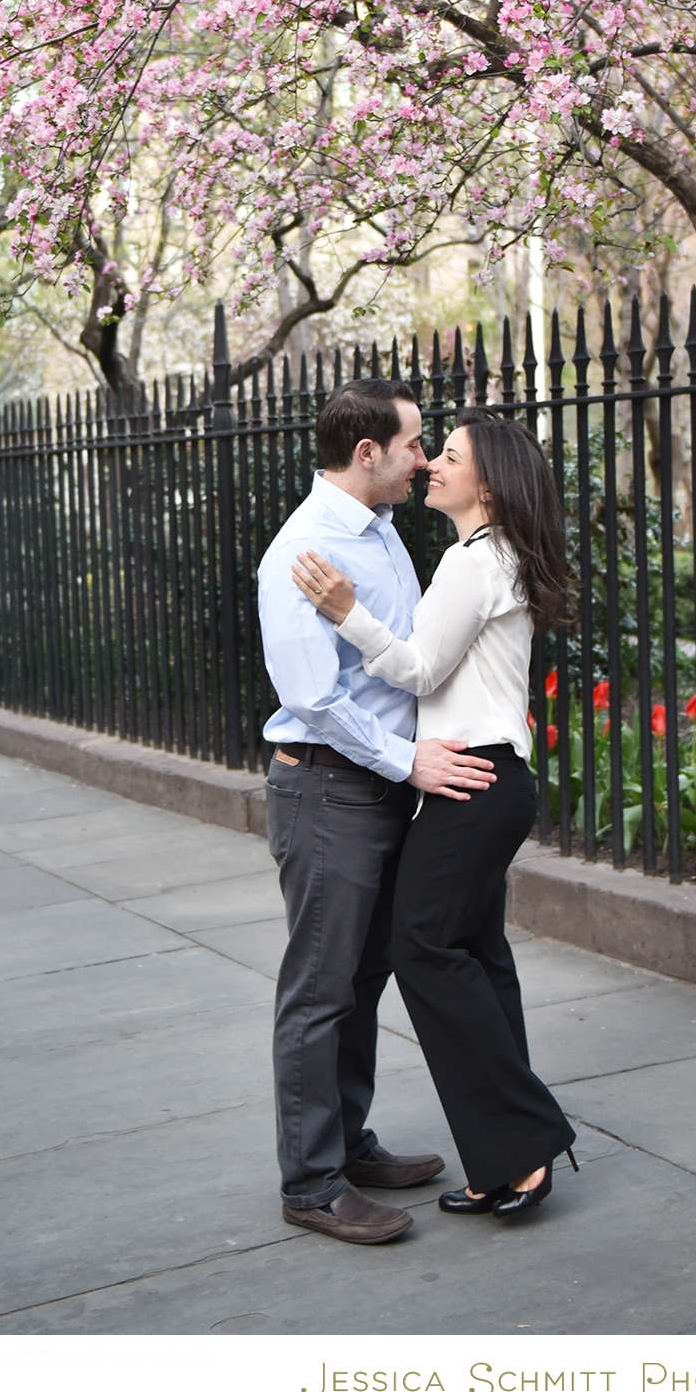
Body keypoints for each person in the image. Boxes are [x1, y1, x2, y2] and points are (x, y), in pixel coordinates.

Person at [292, 408, 578, 1223]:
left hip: (471, 781)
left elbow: (418, 671)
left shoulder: (472, 561)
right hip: (491, 779)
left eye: (448, 456)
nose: (431, 466)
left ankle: (524, 1141)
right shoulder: (499, 555)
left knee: (421, 946)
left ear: (487, 484)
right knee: (478, 956)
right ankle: (509, 1159)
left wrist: (346, 611)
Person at [257, 379, 500, 1245]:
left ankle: (347, 1144)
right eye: (413, 446)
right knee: (321, 989)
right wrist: (409, 761)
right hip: (330, 790)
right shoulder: (305, 550)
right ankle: (312, 1183)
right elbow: (314, 700)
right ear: (368, 453)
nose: (424, 461)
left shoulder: (383, 527)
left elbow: (406, 659)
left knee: (362, 979)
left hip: (386, 787)